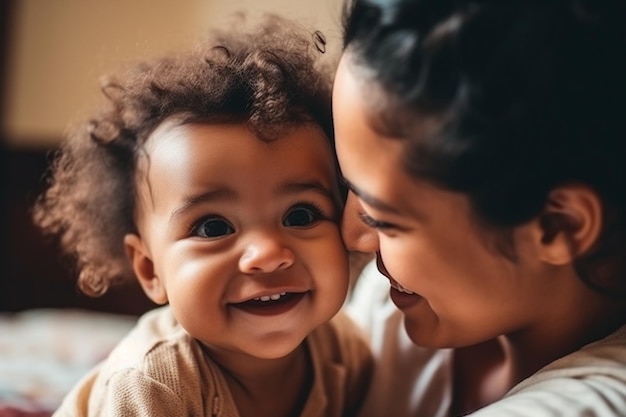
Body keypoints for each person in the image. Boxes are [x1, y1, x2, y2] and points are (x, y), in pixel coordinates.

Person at [33, 15, 372, 417]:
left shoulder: (345, 353)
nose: (267, 253)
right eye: (213, 227)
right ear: (149, 269)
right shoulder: (154, 384)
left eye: (300, 215)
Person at [334, 0, 626, 416]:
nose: (352, 237)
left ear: (557, 225)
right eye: (347, 187)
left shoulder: (595, 402)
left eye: (384, 219)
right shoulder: (396, 304)